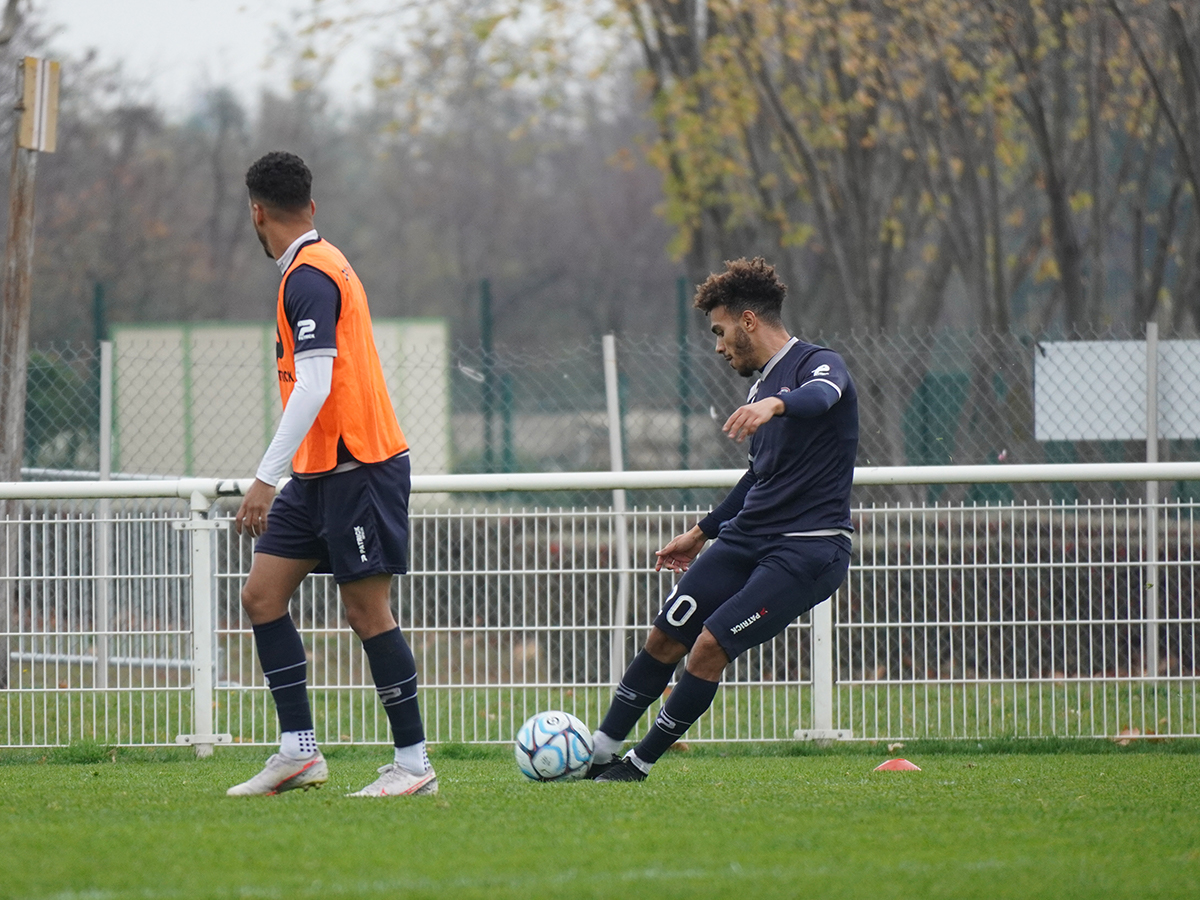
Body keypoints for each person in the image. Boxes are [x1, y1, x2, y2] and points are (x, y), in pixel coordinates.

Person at [590, 257, 858, 782]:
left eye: (720, 330)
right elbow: (758, 478)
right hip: (745, 539)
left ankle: (636, 766)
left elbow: (824, 397)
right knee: (666, 636)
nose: (717, 345)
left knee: (710, 645)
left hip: (808, 548)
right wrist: (701, 532)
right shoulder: (759, 390)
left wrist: (777, 405)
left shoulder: (816, 364)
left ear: (749, 321)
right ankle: (597, 753)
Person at [226, 151, 436, 797]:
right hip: (319, 472)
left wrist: (265, 477)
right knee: (262, 595)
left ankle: (413, 766)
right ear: (309, 207)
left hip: (360, 469)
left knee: (366, 611)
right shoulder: (312, 266)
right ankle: (300, 752)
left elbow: (314, 385)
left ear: (256, 212)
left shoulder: (312, 275)